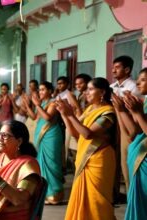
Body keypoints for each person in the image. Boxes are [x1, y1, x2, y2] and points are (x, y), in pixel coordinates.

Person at [57, 77, 116, 220]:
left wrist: (71, 114)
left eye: (90, 89)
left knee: (97, 200)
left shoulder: (108, 113)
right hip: (85, 158)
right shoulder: (89, 109)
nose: (86, 93)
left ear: (102, 92)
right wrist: (65, 115)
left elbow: (88, 134)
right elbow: (76, 133)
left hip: (99, 159)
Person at [112, 68, 147, 220]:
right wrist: (121, 110)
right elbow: (133, 132)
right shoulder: (144, 102)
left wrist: (137, 112)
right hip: (139, 156)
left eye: (143, 79)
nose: (138, 83)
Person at [24, 81, 64, 204]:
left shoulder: (53, 102)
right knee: (41, 163)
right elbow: (35, 117)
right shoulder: (43, 103)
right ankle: (45, 192)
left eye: (43, 89)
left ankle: (55, 193)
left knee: (51, 163)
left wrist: (37, 105)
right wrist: (27, 104)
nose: (40, 92)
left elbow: (47, 117)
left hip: (51, 136)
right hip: (41, 135)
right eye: (39, 90)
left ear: (50, 91)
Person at [110, 55, 138, 193]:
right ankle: (114, 193)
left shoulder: (133, 87)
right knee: (113, 163)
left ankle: (130, 194)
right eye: (113, 67)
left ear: (127, 70)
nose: (113, 70)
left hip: (128, 129)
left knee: (127, 165)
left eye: (117, 67)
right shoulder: (111, 87)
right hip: (113, 128)